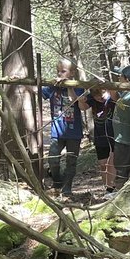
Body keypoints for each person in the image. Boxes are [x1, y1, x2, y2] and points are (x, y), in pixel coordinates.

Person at [42, 58, 89, 200]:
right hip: (57, 131)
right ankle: (57, 182)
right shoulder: (52, 87)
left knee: (71, 161)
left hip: (73, 132)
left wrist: (69, 87)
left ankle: (67, 189)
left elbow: (79, 104)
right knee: (53, 159)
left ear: (72, 73)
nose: (60, 74)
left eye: (63, 71)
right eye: (58, 71)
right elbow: (37, 92)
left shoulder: (78, 87)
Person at [111, 65, 130, 190]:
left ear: (128, 80)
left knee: (123, 168)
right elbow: (115, 99)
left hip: (127, 139)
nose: (119, 79)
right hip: (120, 137)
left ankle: (120, 191)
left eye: (121, 77)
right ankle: (119, 189)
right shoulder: (125, 93)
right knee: (119, 166)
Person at [85, 82, 116, 195]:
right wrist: (81, 99)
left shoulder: (112, 98)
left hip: (113, 136)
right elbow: (83, 106)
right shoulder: (92, 100)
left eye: (102, 94)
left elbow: (116, 97)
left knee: (111, 163)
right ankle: (107, 188)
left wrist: (110, 87)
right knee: (103, 164)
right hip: (100, 137)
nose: (100, 98)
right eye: (97, 97)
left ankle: (113, 187)